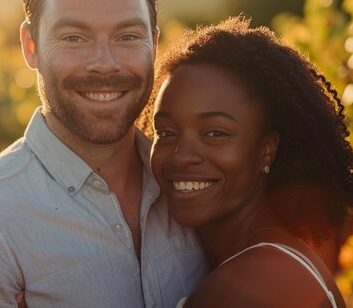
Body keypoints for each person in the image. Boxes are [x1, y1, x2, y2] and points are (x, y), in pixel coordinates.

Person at [0, 0, 208, 307]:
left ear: (154, 44)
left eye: (128, 36)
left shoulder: (195, 185)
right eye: (74, 37)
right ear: (30, 46)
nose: (104, 62)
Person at [148, 16, 353, 307]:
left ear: (266, 150)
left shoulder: (254, 284)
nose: (182, 155)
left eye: (215, 133)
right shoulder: (275, 261)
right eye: (166, 132)